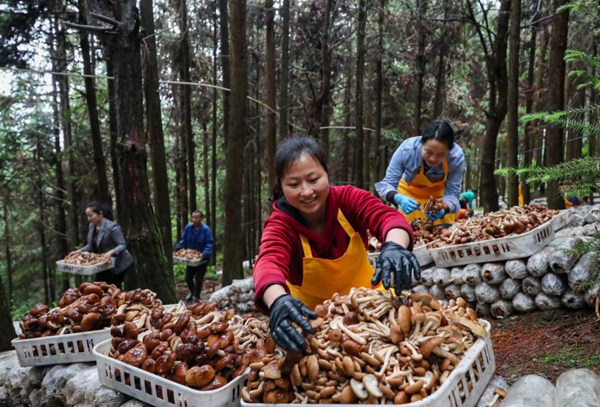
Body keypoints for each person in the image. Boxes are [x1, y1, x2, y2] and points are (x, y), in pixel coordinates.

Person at [253, 136, 420, 354]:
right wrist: (278, 301)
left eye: (313, 179)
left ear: (326, 173)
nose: (306, 191)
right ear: (281, 186)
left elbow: (386, 218)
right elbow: (268, 261)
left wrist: (394, 246)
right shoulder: (280, 224)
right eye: (294, 184)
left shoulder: (348, 199)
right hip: (312, 327)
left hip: (372, 308)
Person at [375, 119, 465, 225]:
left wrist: (444, 209)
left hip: (439, 199)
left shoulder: (456, 158)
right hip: (409, 195)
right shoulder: (407, 150)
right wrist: (397, 197)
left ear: (450, 151)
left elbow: (452, 193)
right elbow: (387, 184)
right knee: (409, 231)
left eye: (441, 155)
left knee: (442, 235)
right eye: (428, 152)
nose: (433, 159)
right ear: (422, 143)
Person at [71, 202, 133, 288]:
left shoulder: (113, 228)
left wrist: (111, 252)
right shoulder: (92, 226)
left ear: (100, 214)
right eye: (87, 216)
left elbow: (122, 245)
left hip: (118, 264)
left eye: (91, 215)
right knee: (99, 287)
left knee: (113, 288)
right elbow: (91, 245)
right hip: (102, 264)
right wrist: (79, 251)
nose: (89, 219)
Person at [175, 210, 214, 302]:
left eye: (197, 217)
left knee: (199, 278)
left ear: (201, 218)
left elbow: (209, 243)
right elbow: (184, 239)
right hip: (191, 258)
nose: (194, 219)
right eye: (193, 217)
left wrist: (205, 253)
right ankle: (191, 291)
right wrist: (179, 247)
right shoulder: (188, 228)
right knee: (188, 278)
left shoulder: (205, 230)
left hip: (202, 258)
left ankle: (197, 296)